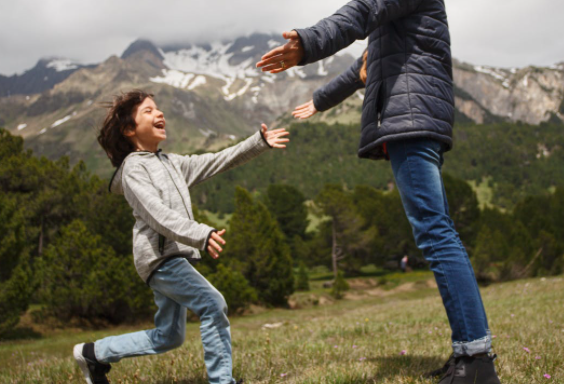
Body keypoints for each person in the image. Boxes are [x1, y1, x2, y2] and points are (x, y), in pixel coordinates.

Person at [256, 1, 500, 383]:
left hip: (412, 118)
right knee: (435, 232)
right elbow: (366, 64)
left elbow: (360, 12)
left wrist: (308, 41)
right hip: (414, 116)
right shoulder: (399, 18)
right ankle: (467, 353)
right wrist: (321, 100)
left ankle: (476, 358)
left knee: (436, 234)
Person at [73, 90, 289, 384]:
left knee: (168, 337)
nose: (159, 113)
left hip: (171, 256)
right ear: (129, 130)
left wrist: (258, 143)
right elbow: (157, 214)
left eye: (158, 109)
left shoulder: (172, 163)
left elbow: (217, 160)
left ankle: (93, 354)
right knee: (212, 304)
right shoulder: (132, 170)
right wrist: (201, 233)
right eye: (148, 111)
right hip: (160, 259)